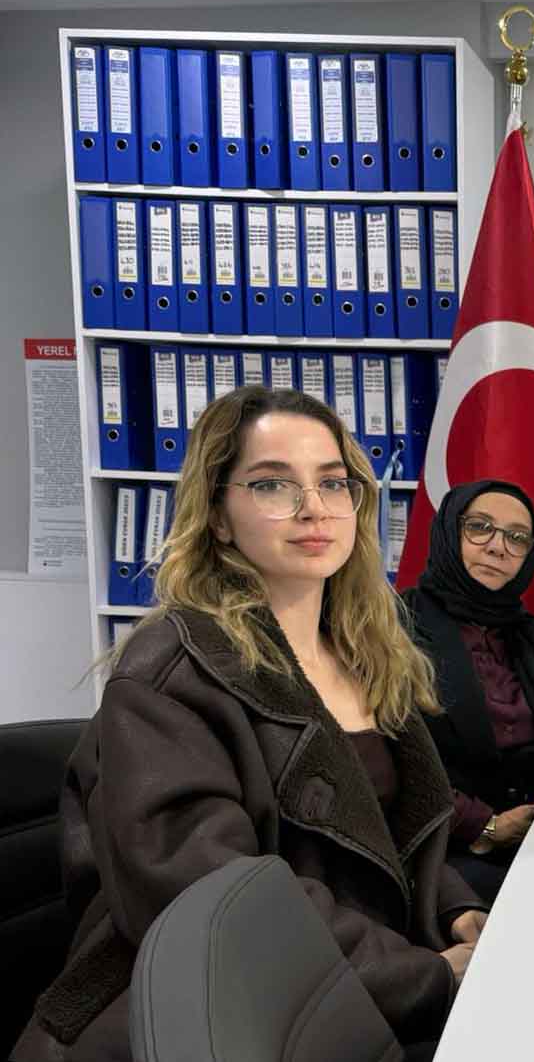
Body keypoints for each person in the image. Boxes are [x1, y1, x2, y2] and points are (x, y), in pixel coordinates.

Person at [11, 387, 485, 1062]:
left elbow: (389, 834)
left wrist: (453, 912)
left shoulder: (363, 650)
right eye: (271, 484)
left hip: (354, 979)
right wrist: (430, 975)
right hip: (225, 1014)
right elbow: (224, 906)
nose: (313, 507)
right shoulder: (171, 672)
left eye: (333, 483)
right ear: (218, 517)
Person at [402, 479, 534, 904]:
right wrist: (486, 826)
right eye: (479, 527)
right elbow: (392, 765)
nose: (497, 547)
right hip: (446, 843)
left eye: (516, 538)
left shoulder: (531, 636)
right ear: (449, 532)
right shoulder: (396, 629)